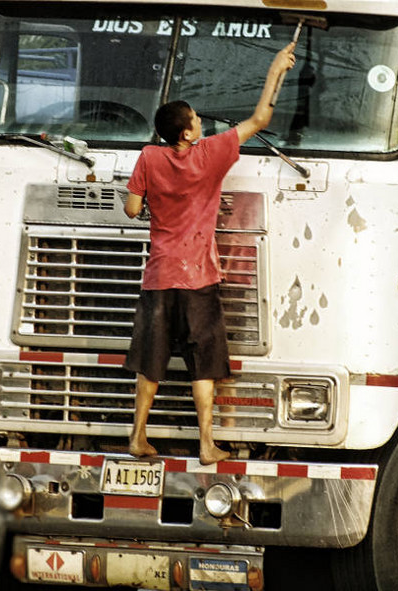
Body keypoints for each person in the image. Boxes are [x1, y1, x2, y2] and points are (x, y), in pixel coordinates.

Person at [123, 41, 297, 465]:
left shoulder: (148, 157)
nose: (201, 122)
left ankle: (138, 436)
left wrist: (154, 205)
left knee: (151, 364)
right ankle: (206, 443)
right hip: (199, 277)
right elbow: (260, 118)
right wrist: (276, 70)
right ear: (187, 133)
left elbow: (131, 208)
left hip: (160, 276)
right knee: (204, 363)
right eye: (196, 119)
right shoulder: (210, 155)